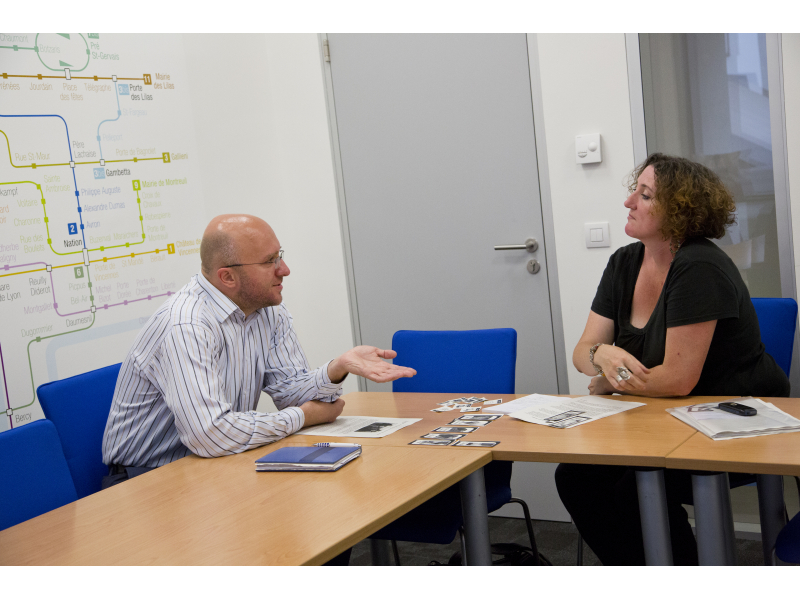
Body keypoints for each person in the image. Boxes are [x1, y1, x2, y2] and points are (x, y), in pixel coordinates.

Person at [555, 153, 789, 565]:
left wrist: (613, 379)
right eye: (635, 190)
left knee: (636, 486)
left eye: (645, 195)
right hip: (663, 418)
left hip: (736, 421)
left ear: (680, 212)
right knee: (576, 477)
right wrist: (601, 353)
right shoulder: (624, 262)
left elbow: (677, 380)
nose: (629, 201)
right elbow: (581, 353)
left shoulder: (700, 266)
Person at [102, 214, 417, 486]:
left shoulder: (267, 310)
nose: (285, 270)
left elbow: (290, 393)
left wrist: (337, 368)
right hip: (147, 481)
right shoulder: (186, 324)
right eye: (270, 262)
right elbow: (210, 434)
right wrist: (301, 417)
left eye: (280, 256)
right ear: (227, 277)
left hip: (217, 464)